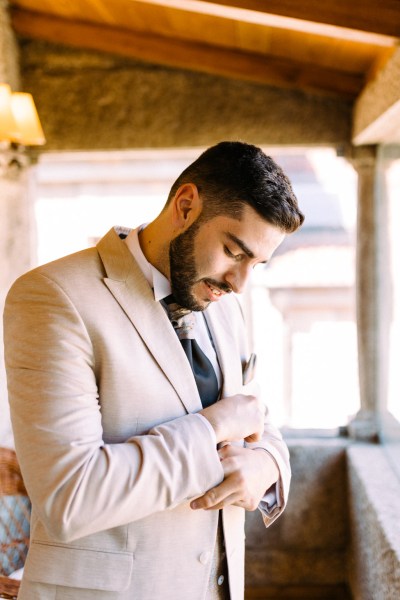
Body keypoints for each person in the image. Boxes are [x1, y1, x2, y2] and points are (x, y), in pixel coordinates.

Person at [3, 141, 304, 600]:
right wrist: (213, 428)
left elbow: (255, 415)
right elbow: (71, 495)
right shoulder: (53, 297)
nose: (241, 283)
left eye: (256, 264)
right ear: (186, 206)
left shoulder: (222, 304)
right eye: (233, 251)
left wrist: (267, 464)